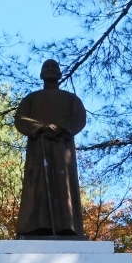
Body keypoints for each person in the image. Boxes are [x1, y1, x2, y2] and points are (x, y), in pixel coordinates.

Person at [14, 59, 88, 237]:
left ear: (60, 74)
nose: (50, 69)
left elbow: (79, 117)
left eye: (54, 67)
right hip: (38, 148)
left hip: (63, 147)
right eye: (46, 67)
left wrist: (62, 129)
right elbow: (20, 118)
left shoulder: (71, 99)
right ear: (41, 74)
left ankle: (67, 225)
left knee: (64, 184)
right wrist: (40, 128)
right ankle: (36, 225)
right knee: (37, 185)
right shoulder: (31, 99)